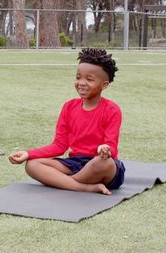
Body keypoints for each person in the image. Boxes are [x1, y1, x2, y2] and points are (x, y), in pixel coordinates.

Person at [8, 48, 125, 195]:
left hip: (101, 163)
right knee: (32, 165)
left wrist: (105, 150)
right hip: (75, 163)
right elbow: (59, 146)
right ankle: (84, 187)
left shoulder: (112, 110)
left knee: (103, 163)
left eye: (89, 79)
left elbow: (111, 147)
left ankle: (66, 182)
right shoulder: (69, 107)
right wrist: (28, 153)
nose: (81, 83)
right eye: (78, 77)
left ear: (104, 85)